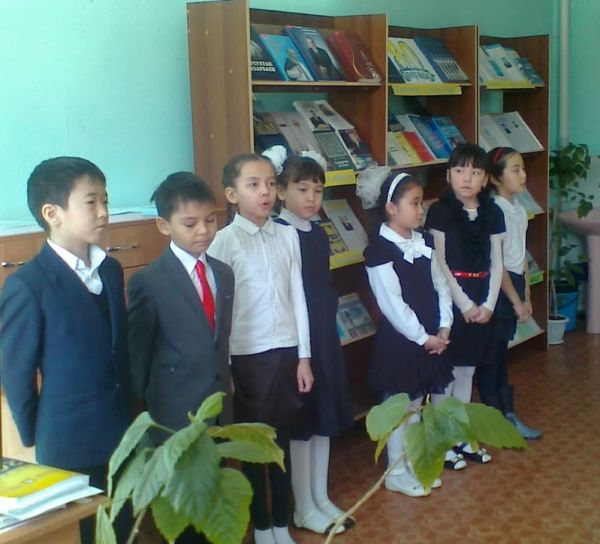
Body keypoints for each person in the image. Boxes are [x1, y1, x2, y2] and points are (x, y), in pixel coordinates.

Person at [0, 157, 133, 544]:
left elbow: (118, 348)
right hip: (69, 439)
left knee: (123, 526)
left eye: (105, 200)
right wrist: (36, 433)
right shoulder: (28, 285)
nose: (103, 211)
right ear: (52, 213)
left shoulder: (111, 269)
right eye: (91, 202)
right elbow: (16, 373)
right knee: (85, 534)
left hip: (121, 431)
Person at [208, 153, 314, 544]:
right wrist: (226, 368)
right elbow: (219, 313)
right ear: (232, 194)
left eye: (270, 183)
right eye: (253, 185)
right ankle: (262, 525)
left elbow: (298, 296)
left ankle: (282, 523)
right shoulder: (224, 241)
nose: (265, 192)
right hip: (246, 358)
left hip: (286, 352)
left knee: (281, 441)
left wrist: (304, 356)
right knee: (253, 445)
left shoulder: (287, 235)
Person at [274, 155, 354, 534]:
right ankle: (303, 506)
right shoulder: (278, 233)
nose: (311, 198)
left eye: (318, 190)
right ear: (281, 191)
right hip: (296, 343)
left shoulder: (318, 234)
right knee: (303, 424)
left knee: (322, 419)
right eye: (302, 189)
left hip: (323, 336)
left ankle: (320, 498)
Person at [365, 172, 454, 497]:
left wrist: (444, 325)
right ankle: (395, 471)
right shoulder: (379, 251)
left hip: (430, 335)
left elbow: (440, 284)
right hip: (402, 341)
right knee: (400, 409)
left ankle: (414, 463)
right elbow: (392, 304)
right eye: (414, 203)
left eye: (421, 203)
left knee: (417, 405)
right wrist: (422, 337)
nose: (420, 210)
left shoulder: (425, 241)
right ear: (391, 208)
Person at [425, 143, 505, 469]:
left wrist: (488, 305)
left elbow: (497, 262)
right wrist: (465, 305)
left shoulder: (493, 212)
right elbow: (440, 263)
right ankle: (442, 441)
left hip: (483, 296)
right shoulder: (440, 211)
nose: (467, 178)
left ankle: (461, 436)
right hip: (451, 297)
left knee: (467, 370)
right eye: (459, 171)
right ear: (448, 175)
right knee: (447, 372)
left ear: (485, 178)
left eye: (475, 172)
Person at [477, 147, 542, 439]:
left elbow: (521, 256)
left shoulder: (517, 209)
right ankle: (497, 420)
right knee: (492, 357)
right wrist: (515, 300)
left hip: (514, 283)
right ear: (495, 178)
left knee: (500, 353)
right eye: (515, 170)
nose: (523, 175)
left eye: (523, 168)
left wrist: (526, 294)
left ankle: (506, 416)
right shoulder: (495, 211)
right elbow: (497, 263)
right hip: (498, 289)